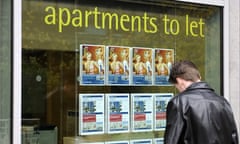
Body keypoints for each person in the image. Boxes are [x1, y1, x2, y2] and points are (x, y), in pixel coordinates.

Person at [164, 60, 238, 144]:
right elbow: (233, 138)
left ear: (179, 81)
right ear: (199, 77)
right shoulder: (223, 102)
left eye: (176, 86)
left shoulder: (178, 103)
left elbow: (172, 140)